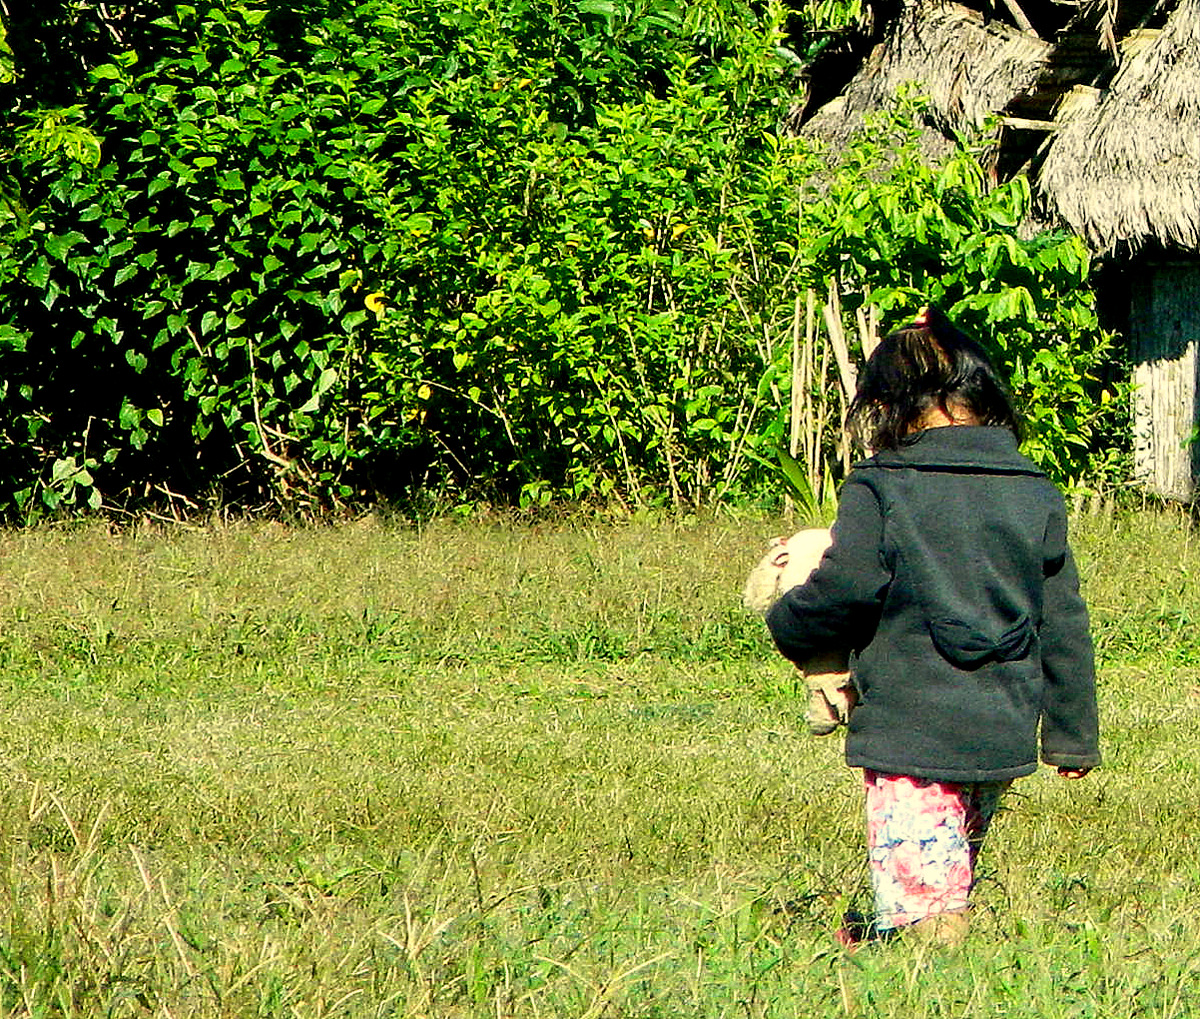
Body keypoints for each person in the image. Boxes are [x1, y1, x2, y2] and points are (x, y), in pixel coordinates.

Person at [766, 306, 1100, 948]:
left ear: (890, 405)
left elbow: (848, 585)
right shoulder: (1034, 490)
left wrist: (790, 623)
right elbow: (1063, 618)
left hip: (912, 726)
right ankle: (895, 949)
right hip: (999, 725)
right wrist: (1072, 735)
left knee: (926, 904)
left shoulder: (881, 484)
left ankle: (935, 979)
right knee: (944, 874)